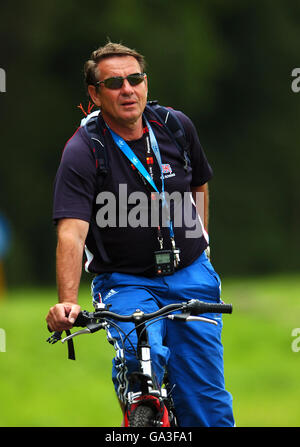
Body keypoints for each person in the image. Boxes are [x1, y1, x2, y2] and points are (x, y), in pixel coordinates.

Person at [46, 42, 234, 427]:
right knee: (142, 361)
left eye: (135, 79)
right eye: (114, 83)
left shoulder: (176, 126)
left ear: (146, 83)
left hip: (191, 275)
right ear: (95, 95)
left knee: (207, 404)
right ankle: (138, 398)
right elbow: (71, 233)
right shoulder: (85, 150)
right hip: (126, 280)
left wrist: (203, 246)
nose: (127, 89)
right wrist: (67, 302)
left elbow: (199, 184)